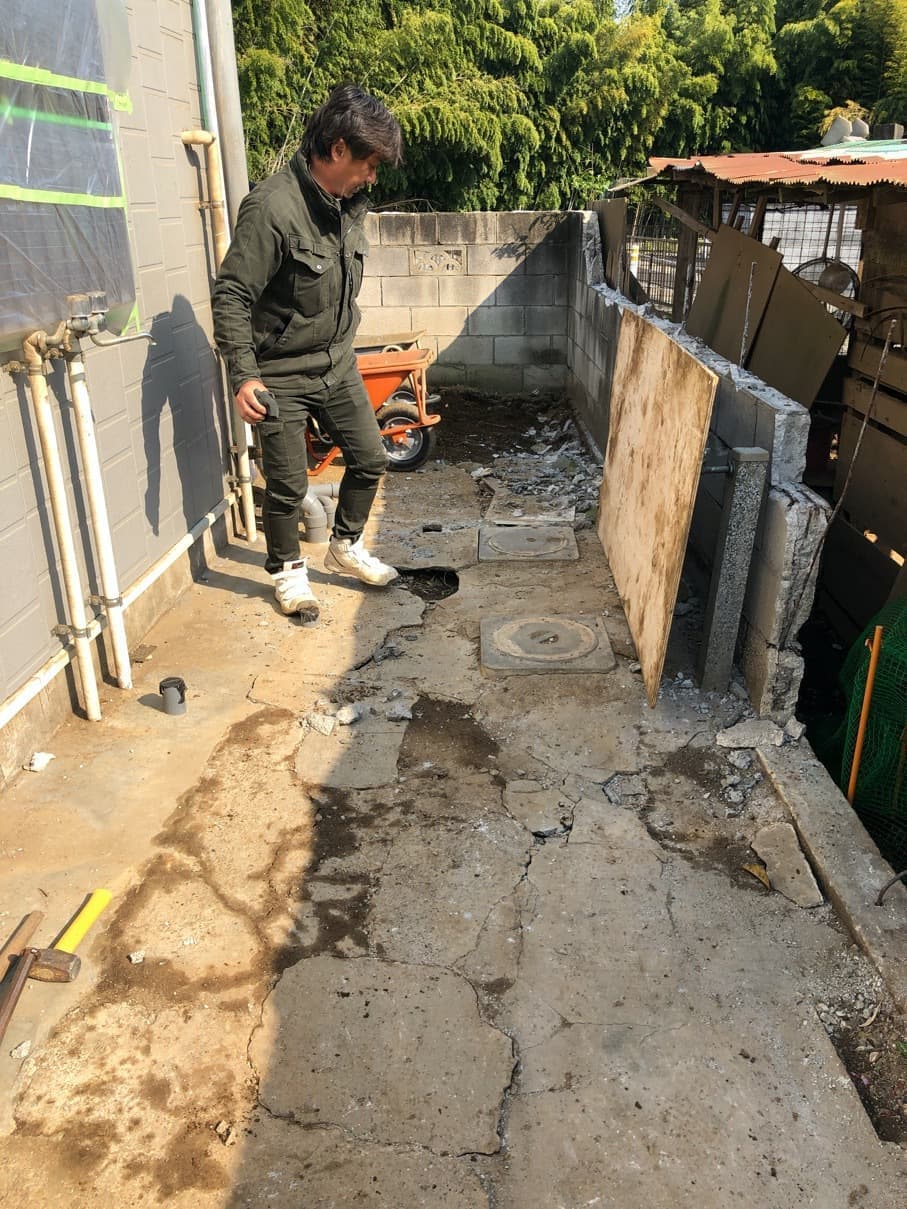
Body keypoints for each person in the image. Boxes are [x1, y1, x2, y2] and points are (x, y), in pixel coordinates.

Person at [212, 84, 404, 621]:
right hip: (279, 372)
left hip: (336, 363)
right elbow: (232, 294)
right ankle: (288, 572)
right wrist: (243, 375)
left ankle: (345, 546)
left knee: (370, 458)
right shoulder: (273, 208)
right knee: (288, 483)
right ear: (338, 149)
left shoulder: (346, 206)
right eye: (369, 165)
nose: (372, 178)